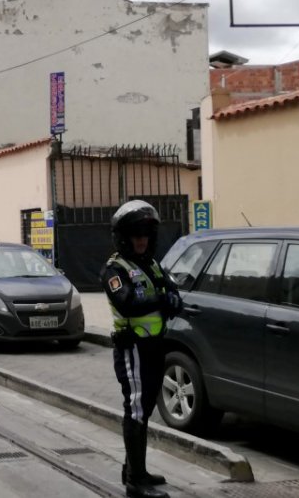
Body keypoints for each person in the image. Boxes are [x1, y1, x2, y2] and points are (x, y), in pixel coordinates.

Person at [101, 200, 182, 498]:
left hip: (154, 347)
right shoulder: (114, 269)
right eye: (136, 234)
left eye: (146, 234)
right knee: (135, 409)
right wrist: (163, 300)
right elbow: (127, 303)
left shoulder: (151, 265)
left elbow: (172, 292)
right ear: (123, 236)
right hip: (131, 348)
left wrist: (173, 299)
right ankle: (135, 482)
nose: (142, 239)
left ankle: (135, 468)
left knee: (146, 408)